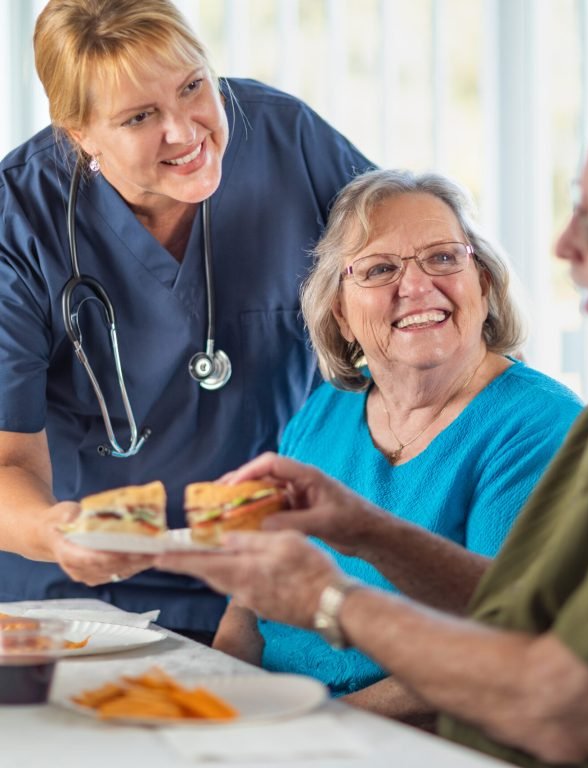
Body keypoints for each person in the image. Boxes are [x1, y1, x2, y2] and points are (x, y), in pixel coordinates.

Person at [159, 82, 588, 767]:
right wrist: (363, 529)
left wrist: (328, 599)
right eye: (381, 269)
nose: (564, 247)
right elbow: (518, 609)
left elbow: (559, 709)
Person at [0, 0, 371, 641]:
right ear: (78, 131)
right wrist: (54, 533)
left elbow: (404, 285)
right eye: (140, 116)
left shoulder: (289, 141)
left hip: (273, 572)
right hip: (81, 598)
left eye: (193, 87)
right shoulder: (19, 220)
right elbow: (7, 463)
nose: (185, 131)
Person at [212, 169, 582, 718]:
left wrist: (311, 733)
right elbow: (249, 596)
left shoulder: (538, 425)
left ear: (482, 282)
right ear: (341, 312)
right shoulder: (324, 410)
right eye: (381, 269)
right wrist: (214, 694)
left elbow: (499, 649)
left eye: (443, 258)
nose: (415, 286)